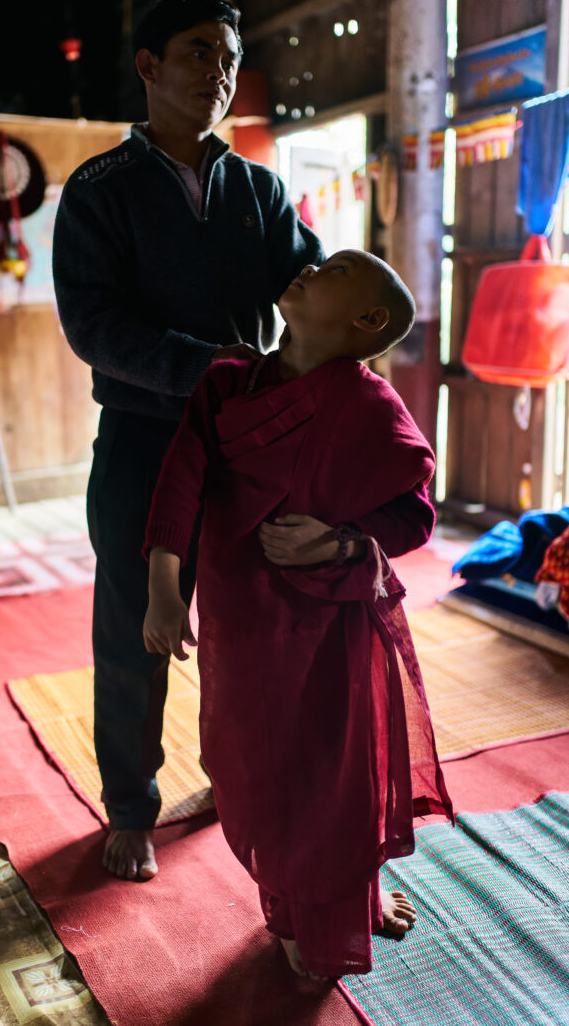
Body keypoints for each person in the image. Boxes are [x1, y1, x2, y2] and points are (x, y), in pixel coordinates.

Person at [52, 0, 324, 882]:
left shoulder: (259, 189)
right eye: (200, 51)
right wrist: (205, 365)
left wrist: (355, 309)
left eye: (230, 56)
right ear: (149, 66)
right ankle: (129, 808)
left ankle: (232, 780)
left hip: (245, 443)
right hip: (143, 440)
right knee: (138, 627)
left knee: (248, 626)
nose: (220, 70)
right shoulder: (99, 191)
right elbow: (92, 325)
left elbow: (306, 289)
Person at [143, 249, 453, 979]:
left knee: (336, 766)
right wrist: (163, 586)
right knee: (256, 766)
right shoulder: (226, 385)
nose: (313, 265)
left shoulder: (368, 405)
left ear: (366, 320)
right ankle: (293, 903)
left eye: (337, 269)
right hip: (242, 617)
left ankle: (337, 904)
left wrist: (342, 538)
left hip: (328, 623)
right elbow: (178, 483)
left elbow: (414, 516)